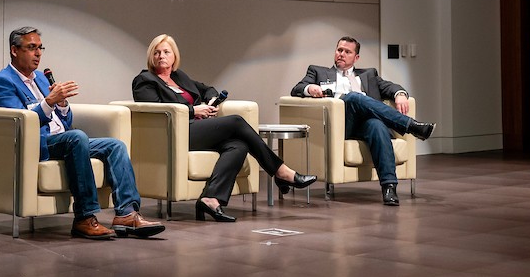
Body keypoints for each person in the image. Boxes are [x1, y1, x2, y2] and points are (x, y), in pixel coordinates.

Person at [0, 26, 164, 240]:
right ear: (15, 50)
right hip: (37, 143)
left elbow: (65, 121)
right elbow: (19, 124)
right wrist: (50, 101)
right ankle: (84, 217)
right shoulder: (3, 81)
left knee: (115, 145)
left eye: (40, 48)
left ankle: (127, 213)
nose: (38, 53)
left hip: (63, 138)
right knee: (77, 136)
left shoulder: (42, 79)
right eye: (31, 48)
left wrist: (62, 105)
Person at [133, 34, 316, 222]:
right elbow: (155, 110)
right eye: (157, 52)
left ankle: (210, 199)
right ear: (151, 56)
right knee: (236, 121)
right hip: (174, 134)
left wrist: (211, 101)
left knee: (238, 145)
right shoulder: (145, 80)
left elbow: (207, 89)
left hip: (197, 129)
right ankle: (281, 172)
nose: (161, 56)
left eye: (166, 52)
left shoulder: (179, 77)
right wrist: (194, 110)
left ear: (174, 56)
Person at [290, 35, 436, 206]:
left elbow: (391, 87)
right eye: (339, 50)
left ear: (356, 57)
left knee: (377, 126)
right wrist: (310, 88)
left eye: (347, 52)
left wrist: (400, 94)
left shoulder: (369, 75)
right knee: (354, 97)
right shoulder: (317, 71)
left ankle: (389, 188)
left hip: (365, 125)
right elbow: (297, 89)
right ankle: (411, 125)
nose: (341, 54)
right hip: (341, 126)